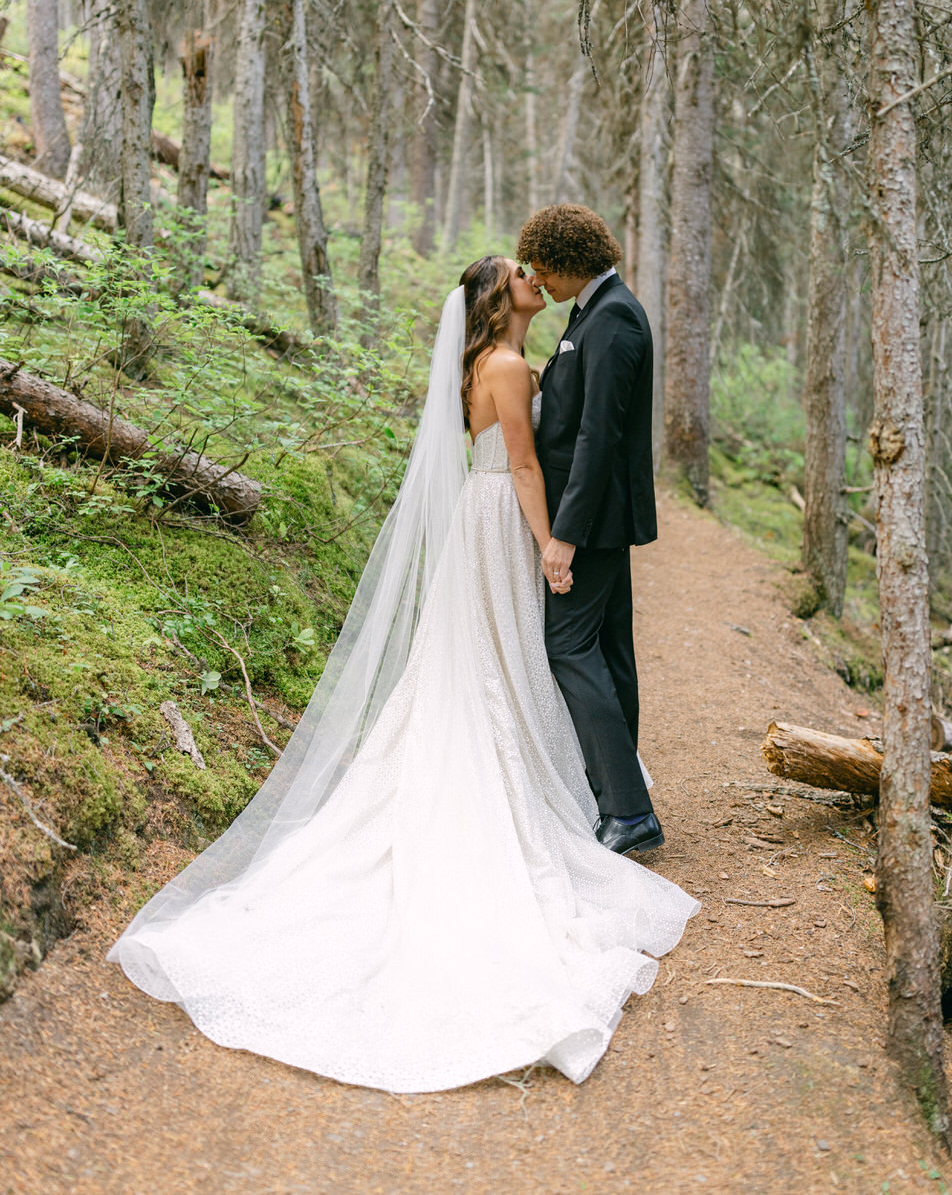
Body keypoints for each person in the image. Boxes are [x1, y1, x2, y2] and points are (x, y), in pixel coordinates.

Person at [107, 257, 698, 1095]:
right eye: (519, 274)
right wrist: (550, 546)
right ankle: (549, 792)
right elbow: (525, 467)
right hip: (502, 517)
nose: (533, 276)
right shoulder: (499, 365)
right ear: (502, 300)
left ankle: (559, 779)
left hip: (480, 519)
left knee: (492, 659)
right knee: (505, 657)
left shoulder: (489, 364)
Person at [517, 206, 661, 856]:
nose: (537, 279)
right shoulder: (589, 312)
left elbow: (599, 436)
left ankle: (629, 813)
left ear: (571, 259)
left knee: (568, 647)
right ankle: (616, 793)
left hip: (594, 521)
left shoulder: (613, 318)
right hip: (597, 517)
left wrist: (563, 535)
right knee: (606, 650)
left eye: (543, 267)